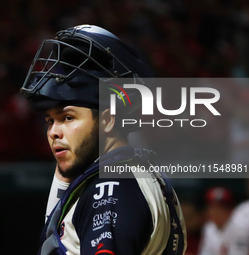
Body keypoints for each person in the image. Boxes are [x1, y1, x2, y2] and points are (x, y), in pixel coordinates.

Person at [21, 25, 187, 255]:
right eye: (50, 121)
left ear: (108, 120)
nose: (54, 132)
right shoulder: (127, 173)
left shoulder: (110, 188)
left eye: (68, 117)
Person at [198, 187, 235, 255]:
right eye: (212, 207)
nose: (215, 211)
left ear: (230, 210)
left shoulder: (239, 228)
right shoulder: (209, 227)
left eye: (221, 207)